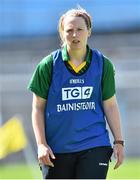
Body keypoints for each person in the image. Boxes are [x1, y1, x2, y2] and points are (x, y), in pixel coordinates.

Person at [28, 7, 124, 179]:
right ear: (62, 33)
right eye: (69, 30)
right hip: (57, 149)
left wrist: (119, 141)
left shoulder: (103, 65)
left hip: (95, 144)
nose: (74, 35)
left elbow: (109, 105)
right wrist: (41, 144)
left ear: (89, 31)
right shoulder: (48, 65)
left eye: (79, 29)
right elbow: (37, 108)